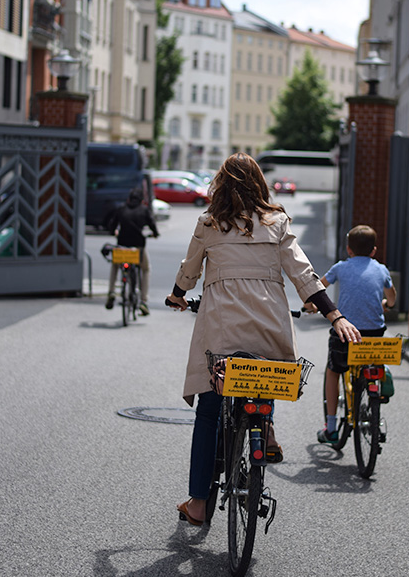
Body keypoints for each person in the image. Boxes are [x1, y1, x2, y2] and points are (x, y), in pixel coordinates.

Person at [164, 153, 361, 526]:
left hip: (221, 327)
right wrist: (335, 315)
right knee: (262, 379)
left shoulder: (209, 223)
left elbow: (188, 272)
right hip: (270, 325)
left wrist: (177, 295)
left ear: (220, 184)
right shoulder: (277, 223)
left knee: (209, 412)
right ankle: (265, 425)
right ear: (259, 184)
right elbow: (303, 273)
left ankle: (198, 504)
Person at [307, 224, 396, 444]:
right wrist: (388, 304)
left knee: (333, 371)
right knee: (372, 365)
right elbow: (391, 296)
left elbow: (320, 287)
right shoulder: (381, 269)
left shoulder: (340, 268)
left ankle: (331, 427)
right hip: (374, 335)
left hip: (345, 333)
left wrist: (312, 305)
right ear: (374, 251)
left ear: (349, 250)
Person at [104, 186, 159, 314]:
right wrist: (155, 233)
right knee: (146, 269)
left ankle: (111, 292)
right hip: (138, 247)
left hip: (122, 245)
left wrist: (115, 232)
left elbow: (112, 226)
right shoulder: (144, 210)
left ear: (129, 199)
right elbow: (152, 224)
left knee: (115, 266)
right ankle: (144, 301)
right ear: (141, 200)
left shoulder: (121, 209)